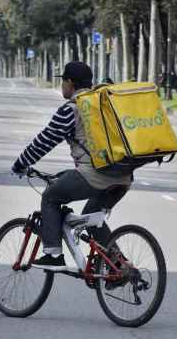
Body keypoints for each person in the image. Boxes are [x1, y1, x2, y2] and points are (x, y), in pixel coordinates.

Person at [11, 61, 132, 269]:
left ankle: (53, 255)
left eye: (63, 82)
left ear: (69, 82)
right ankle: (119, 267)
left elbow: (44, 141)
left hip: (95, 175)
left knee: (50, 195)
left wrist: (21, 164)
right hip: (123, 175)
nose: (62, 87)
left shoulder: (72, 109)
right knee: (93, 217)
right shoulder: (104, 104)